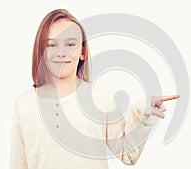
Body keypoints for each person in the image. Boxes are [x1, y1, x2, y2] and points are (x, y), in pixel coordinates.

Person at [10, 9, 179, 169]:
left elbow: (128, 154)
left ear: (82, 52)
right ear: (41, 51)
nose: (61, 52)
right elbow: (18, 164)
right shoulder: (24, 103)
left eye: (70, 44)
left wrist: (143, 110)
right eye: (52, 45)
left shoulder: (100, 97)